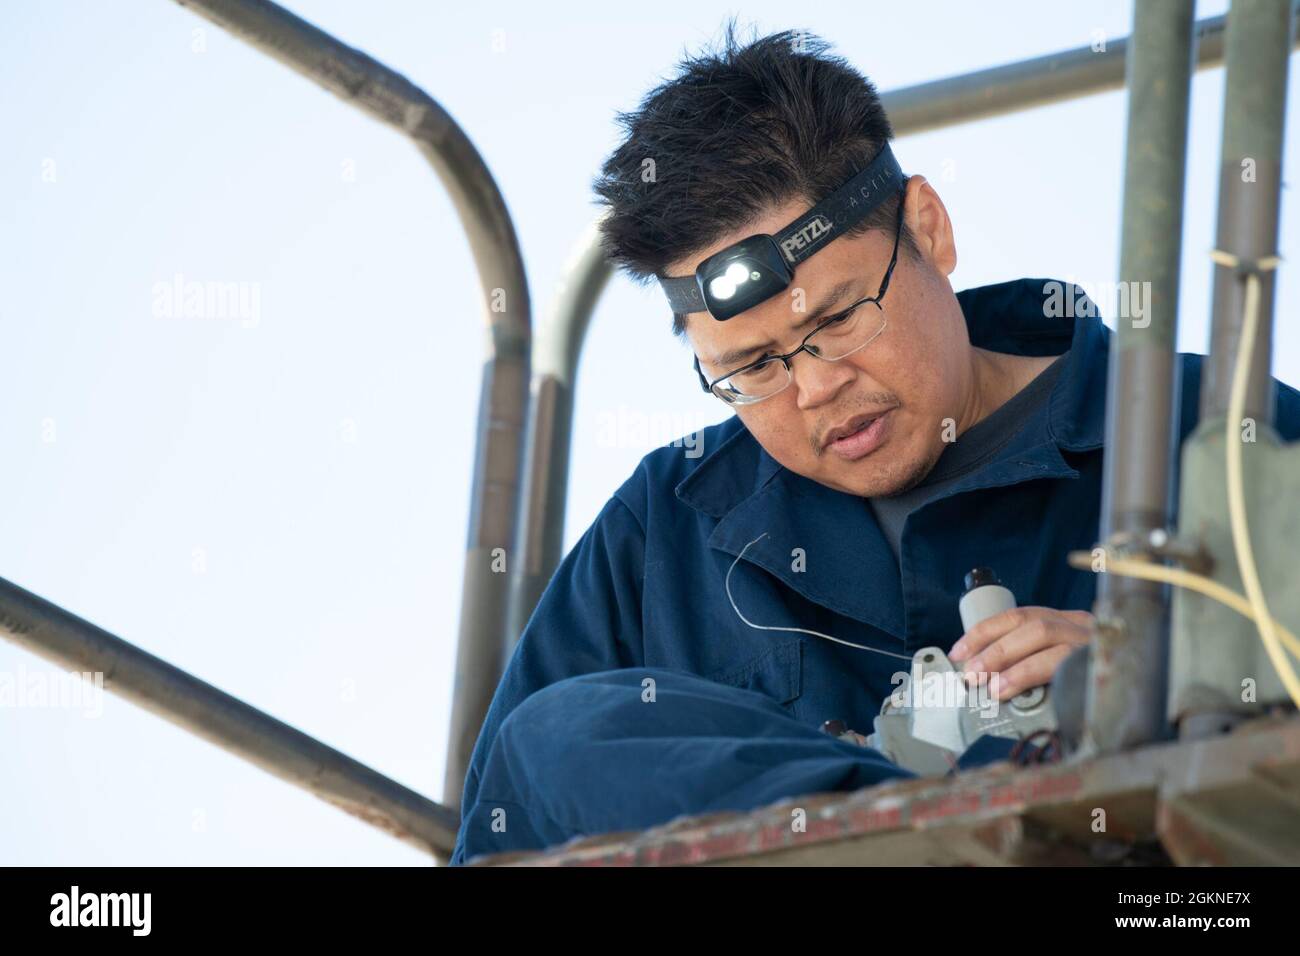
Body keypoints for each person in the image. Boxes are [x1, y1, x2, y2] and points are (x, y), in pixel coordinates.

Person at [449, 26, 1300, 865]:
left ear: (928, 229)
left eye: (838, 319)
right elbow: (501, 829)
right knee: (561, 730)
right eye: (750, 369)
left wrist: (1168, 680)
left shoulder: (1221, 435)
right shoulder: (659, 538)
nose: (815, 390)